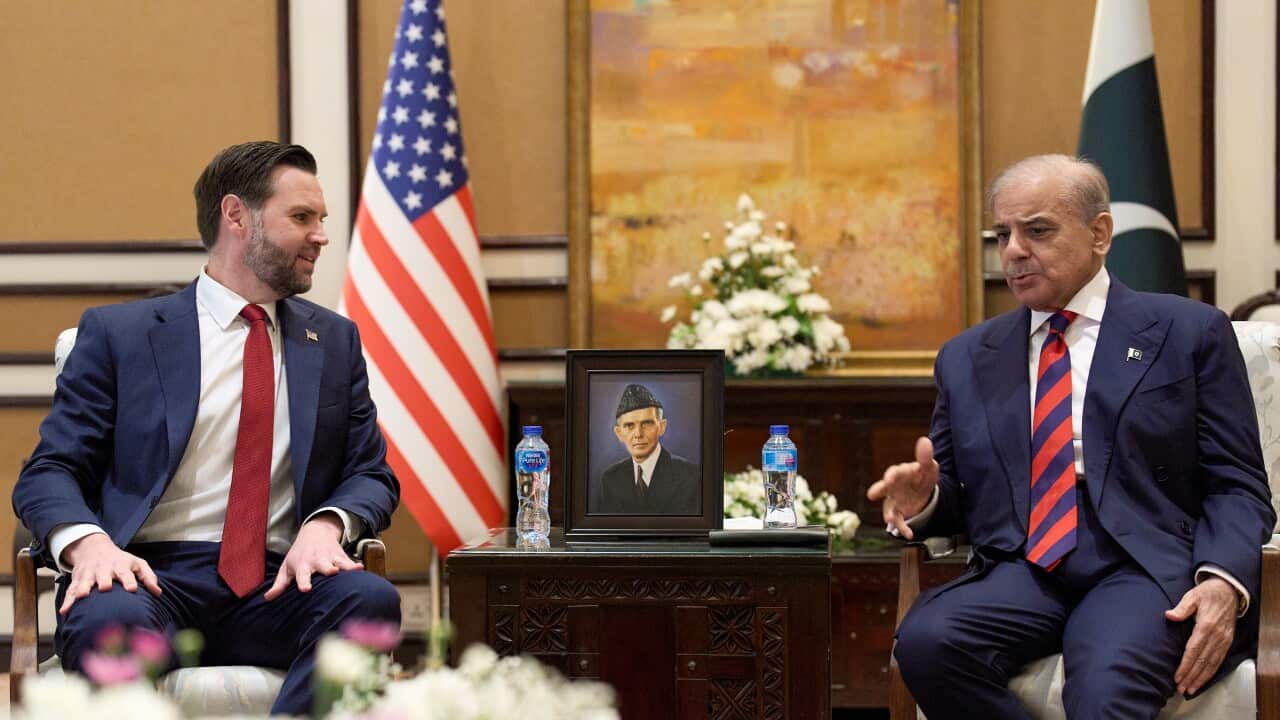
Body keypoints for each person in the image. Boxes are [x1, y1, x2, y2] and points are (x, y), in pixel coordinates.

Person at [868, 154, 1274, 719]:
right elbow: (955, 493)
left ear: (1099, 233)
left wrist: (1223, 580)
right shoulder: (967, 357)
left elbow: (1237, 485)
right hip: (1023, 563)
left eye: (1037, 230)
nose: (1013, 250)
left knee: (1105, 689)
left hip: (1141, 562)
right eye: (1002, 234)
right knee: (927, 643)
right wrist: (926, 502)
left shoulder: (1187, 332)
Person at [12, 141, 401, 716]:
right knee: (104, 616)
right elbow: (49, 472)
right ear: (236, 216)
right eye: (301, 217)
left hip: (278, 581)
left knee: (368, 599)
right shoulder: (121, 336)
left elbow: (370, 473)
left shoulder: (335, 342)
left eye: (322, 220)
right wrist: (89, 546)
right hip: (146, 577)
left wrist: (326, 525)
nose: (321, 235)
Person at [597, 383, 700, 514]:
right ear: (619, 433)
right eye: (629, 426)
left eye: (647, 423)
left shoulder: (691, 476)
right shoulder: (610, 479)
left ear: (662, 427)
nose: (638, 434)